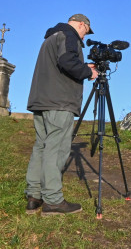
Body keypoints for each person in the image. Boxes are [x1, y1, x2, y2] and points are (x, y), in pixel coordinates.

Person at [24, 14, 98, 215]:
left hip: (42, 100)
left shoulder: (51, 37)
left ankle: (34, 196)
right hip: (60, 102)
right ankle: (53, 201)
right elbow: (67, 61)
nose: (83, 38)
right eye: (85, 32)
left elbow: (61, 63)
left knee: (41, 146)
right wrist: (88, 72)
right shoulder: (69, 35)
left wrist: (83, 67)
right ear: (82, 25)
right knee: (56, 149)